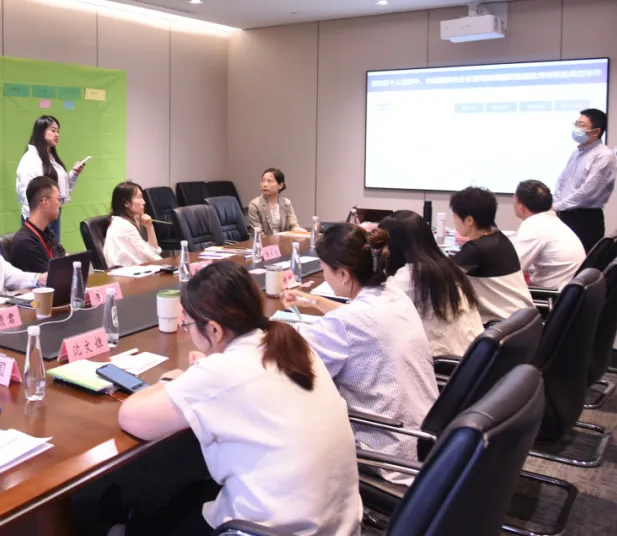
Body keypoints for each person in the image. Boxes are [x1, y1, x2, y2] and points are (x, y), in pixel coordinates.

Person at [115, 261, 362, 536]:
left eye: (188, 324)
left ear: (214, 329)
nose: (187, 330)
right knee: (195, 492)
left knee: (178, 513)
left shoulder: (222, 371)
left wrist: (171, 380)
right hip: (339, 521)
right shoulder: (289, 342)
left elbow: (131, 417)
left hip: (275, 530)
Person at [283, 223, 437, 485]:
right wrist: (312, 301)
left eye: (324, 268)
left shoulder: (346, 323)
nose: (323, 274)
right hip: (426, 439)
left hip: (387, 451)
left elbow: (294, 362)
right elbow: (355, 317)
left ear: (343, 274)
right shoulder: (394, 295)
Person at [378, 211, 483, 357]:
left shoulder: (407, 278)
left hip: (444, 363)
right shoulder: (448, 267)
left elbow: (375, 318)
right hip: (471, 358)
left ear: (393, 248)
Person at [449, 187, 533, 324]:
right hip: (524, 321)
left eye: (455, 215)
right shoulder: (501, 239)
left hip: (501, 327)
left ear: (469, 220)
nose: (454, 221)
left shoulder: (476, 249)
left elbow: (440, 277)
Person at [555, 108, 617, 251]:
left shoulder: (604, 156)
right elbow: (562, 180)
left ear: (596, 131)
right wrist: (557, 203)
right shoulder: (576, 152)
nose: (576, 128)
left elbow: (587, 192)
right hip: (564, 215)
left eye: (581, 125)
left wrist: (558, 206)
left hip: (584, 220)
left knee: (581, 261)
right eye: (576, 124)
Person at [15, 115, 87, 241]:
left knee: (53, 251)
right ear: (41, 131)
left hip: (52, 214)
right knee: (40, 251)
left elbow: (61, 188)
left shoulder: (51, 157)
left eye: (58, 131)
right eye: (53, 130)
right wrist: (33, 222)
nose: (57, 134)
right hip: (39, 219)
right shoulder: (30, 159)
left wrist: (74, 174)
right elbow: (27, 192)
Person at [512, 180, 586, 290]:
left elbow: (512, 269)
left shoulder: (533, 225)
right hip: (569, 289)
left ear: (521, 207)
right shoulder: (552, 221)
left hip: (551, 294)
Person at [10, 176, 67, 273]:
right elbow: (50, 278)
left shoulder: (48, 234)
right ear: (45, 202)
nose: (60, 204)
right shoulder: (25, 243)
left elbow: (65, 261)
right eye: (58, 199)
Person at [103, 181, 163, 268]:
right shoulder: (124, 226)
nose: (143, 202)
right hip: (125, 273)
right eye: (139, 197)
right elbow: (153, 256)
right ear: (126, 203)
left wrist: (149, 227)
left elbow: (153, 252)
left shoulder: (120, 222)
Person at [246, 168, 303, 235]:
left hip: (283, 240)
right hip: (262, 240)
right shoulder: (255, 204)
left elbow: (293, 225)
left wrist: (298, 230)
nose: (265, 184)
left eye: (269, 181)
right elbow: (258, 233)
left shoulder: (286, 203)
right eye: (263, 181)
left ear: (280, 185)